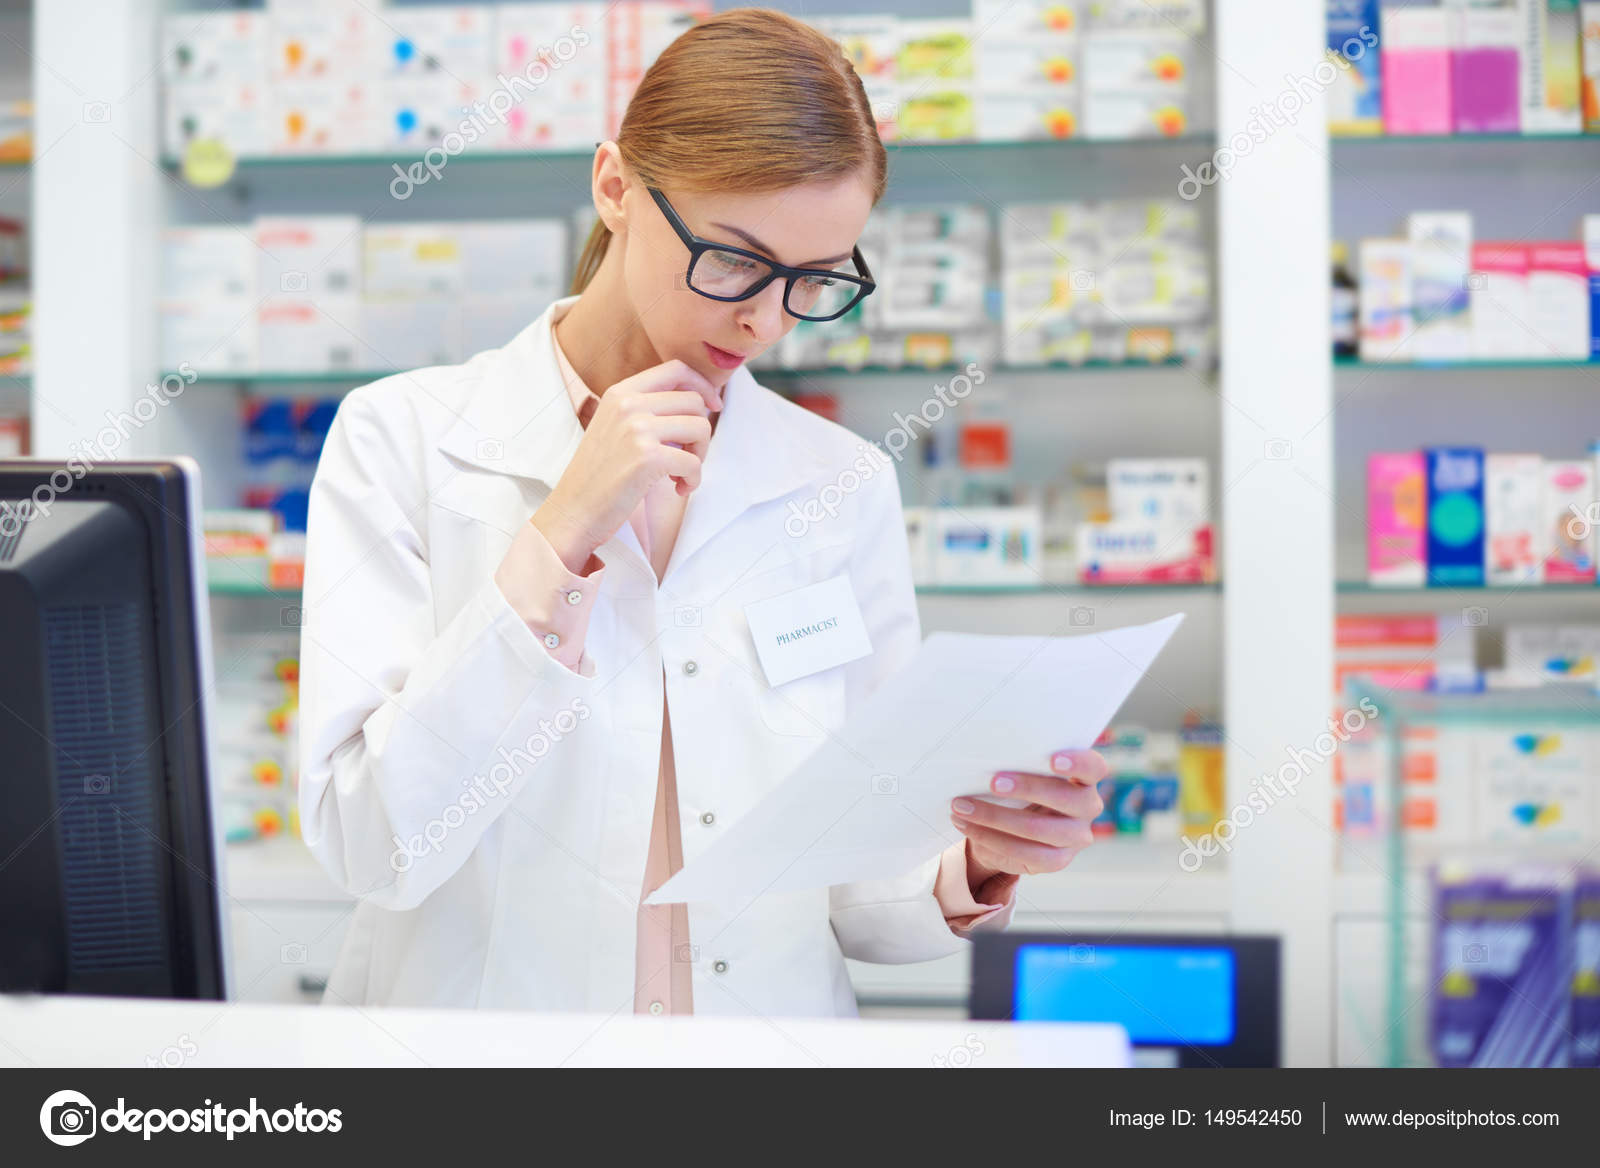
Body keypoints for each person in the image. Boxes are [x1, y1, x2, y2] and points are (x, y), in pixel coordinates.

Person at [298, 7, 1107, 1018]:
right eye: (733, 260)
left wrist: (975, 856)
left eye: (813, 279)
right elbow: (369, 842)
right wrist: (561, 533)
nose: (766, 319)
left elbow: (857, 888)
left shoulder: (837, 481)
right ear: (614, 188)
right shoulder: (404, 438)